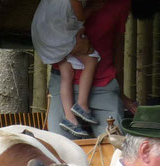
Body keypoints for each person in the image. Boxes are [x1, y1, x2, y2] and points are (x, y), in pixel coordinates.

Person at [45, 0, 136, 139]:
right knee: (60, 144)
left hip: (103, 83)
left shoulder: (121, 3)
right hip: (64, 80)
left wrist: (120, 93)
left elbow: (118, 43)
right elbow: (48, 29)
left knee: (114, 144)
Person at [32, 0, 101, 138]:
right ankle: (82, 105)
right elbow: (80, 16)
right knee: (91, 60)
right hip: (56, 34)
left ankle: (70, 119)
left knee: (67, 72)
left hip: (44, 33)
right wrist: (94, 7)